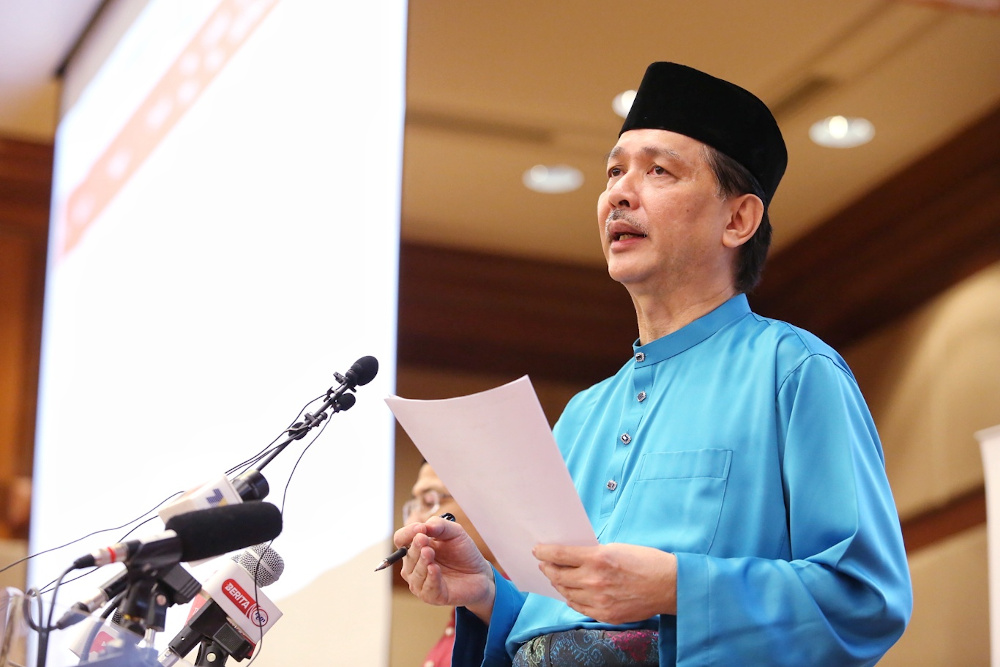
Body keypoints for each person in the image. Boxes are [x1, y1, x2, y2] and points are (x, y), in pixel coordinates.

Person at [394, 62, 913, 666]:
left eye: (659, 170)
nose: (619, 192)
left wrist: (676, 586)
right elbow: (556, 625)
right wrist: (485, 594)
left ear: (738, 219)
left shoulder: (793, 372)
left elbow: (865, 599)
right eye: (614, 171)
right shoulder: (583, 414)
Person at [403, 462, 502, 667]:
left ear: (494, 502)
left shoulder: (548, 607)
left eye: (429, 501)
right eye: (412, 507)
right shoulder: (466, 610)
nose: (411, 522)